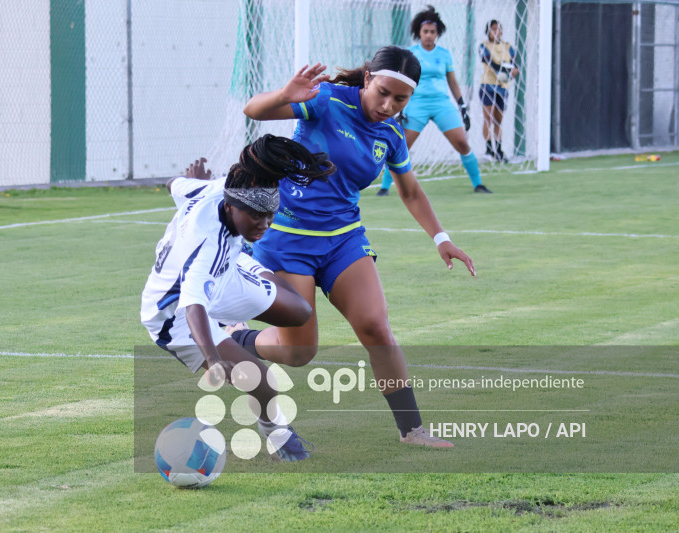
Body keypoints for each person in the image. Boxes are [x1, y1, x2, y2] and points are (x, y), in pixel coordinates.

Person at [238, 46, 477, 448]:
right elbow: (253, 111)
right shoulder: (326, 100)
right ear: (367, 78)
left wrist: (442, 238)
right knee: (299, 354)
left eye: (400, 100)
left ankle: (412, 430)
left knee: (376, 327)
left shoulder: (393, 135)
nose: (388, 105)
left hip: (344, 240)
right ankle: (237, 341)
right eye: (382, 92)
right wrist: (284, 95)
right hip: (288, 241)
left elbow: (411, 191)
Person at [140, 134, 334, 461]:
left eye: (270, 215)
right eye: (256, 216)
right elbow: (193, 306)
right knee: (260, 379)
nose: (264, 224)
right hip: (176, 317)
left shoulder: (220, 188)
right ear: (230, 207)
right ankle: (278, 435)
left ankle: (235, 334)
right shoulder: (206, 243)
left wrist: (193, 179)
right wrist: (213, 359)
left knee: (299, 311)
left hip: (227, 273)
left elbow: (175, 184)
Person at [377, 5, 491, 196]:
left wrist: (462, 105)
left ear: (437, 34)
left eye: (432, 32)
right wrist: (400, 108)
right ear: (418, 33)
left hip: (442, 104)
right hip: (417, 104)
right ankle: (384, 188)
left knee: (462, 143)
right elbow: (402, 82)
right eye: (425, 31)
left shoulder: (444, 54)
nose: (429, 35)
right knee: (401, 146)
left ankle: (478, 184)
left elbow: (452, 82)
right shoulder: (411, 54)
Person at [479, 19, 519, 163]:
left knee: (498, 120)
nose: (496, 32)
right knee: (488, 118)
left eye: (498, 29)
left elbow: (515, 63)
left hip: (503, 88)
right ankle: (489, 150)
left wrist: (514, 71)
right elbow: (489, 62)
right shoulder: (483, 46)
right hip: (488, 86)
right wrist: (503, 71)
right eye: (492, 29)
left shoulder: (508, 46)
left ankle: (499, 151)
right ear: (488, 31)